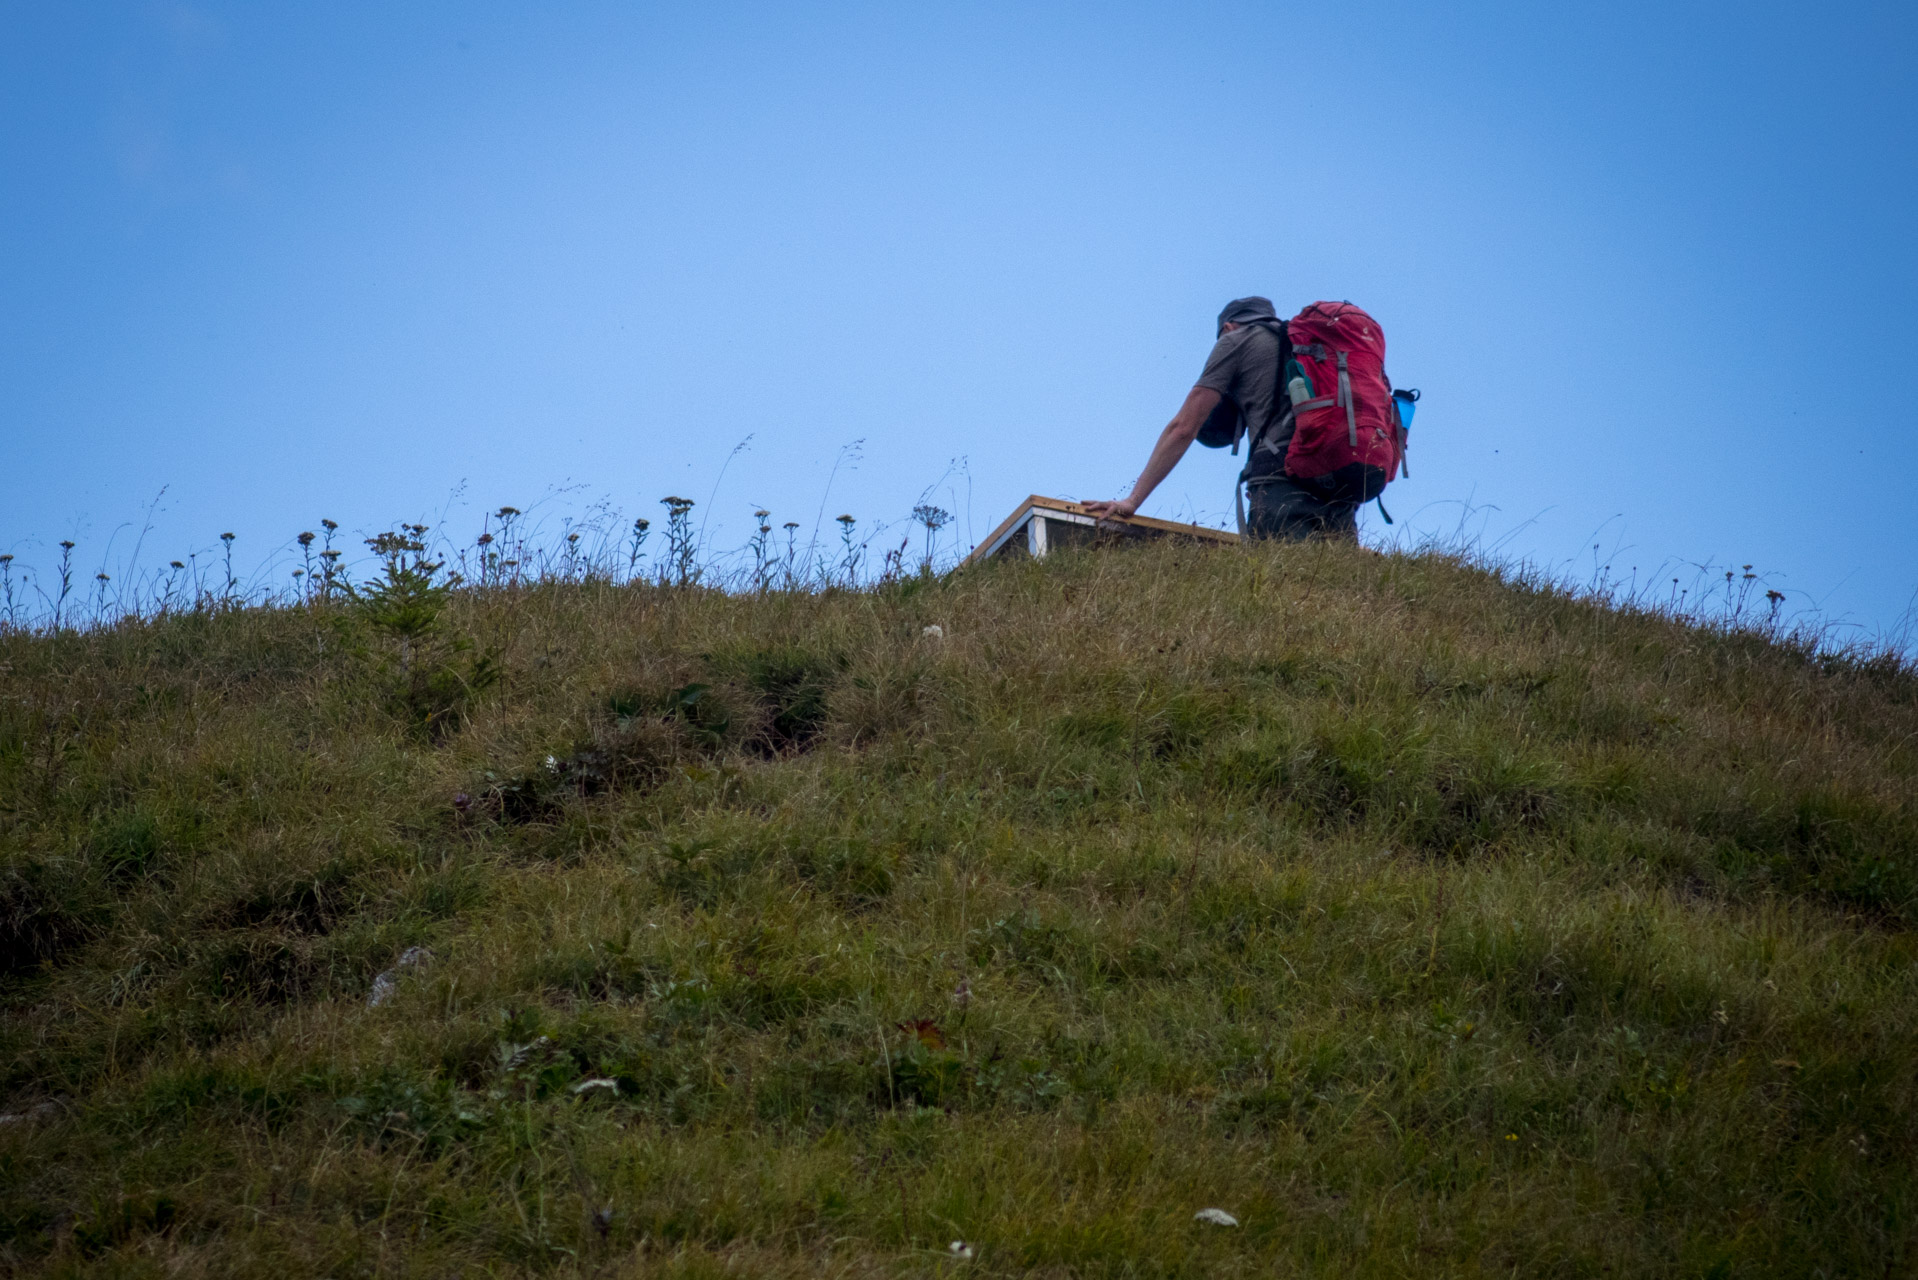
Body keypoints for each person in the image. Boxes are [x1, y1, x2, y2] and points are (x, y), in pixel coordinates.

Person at [1083, 296, 1361, 540]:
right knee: (1336, 593)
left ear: (1227, 327)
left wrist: (1133, 500)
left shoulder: (1236, 339)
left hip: (1281, 482)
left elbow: (1183, 428)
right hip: (1342, 483)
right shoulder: (1311, 346)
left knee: (1284, 589)